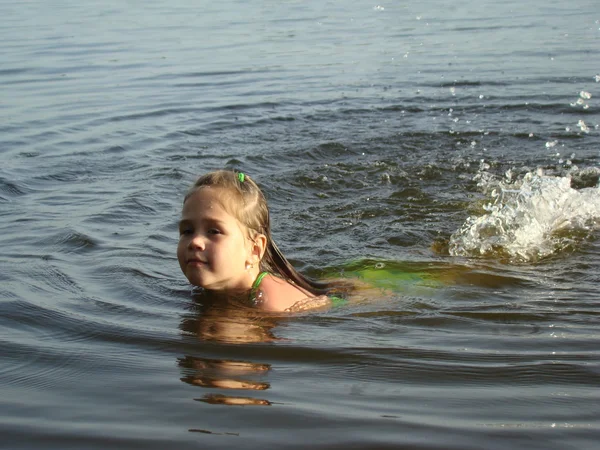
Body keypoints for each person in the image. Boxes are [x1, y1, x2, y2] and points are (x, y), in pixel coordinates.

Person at [177, 169, 348, 312]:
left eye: (214, 231)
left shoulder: (271, 304)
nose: (195, 242)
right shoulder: (211, 284)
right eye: (187, 231)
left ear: (254, 250)